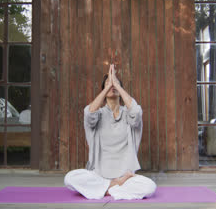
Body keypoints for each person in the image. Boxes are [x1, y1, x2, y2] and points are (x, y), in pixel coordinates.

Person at [64, 64, 157, 200]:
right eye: (108, 84)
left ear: (121, 90)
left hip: (125, 177)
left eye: (116, 83)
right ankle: (114, 187)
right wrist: (109, 86)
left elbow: (136, 112)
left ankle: (105, 190)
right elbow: (89, 114)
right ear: (103, 90)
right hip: (99, 175)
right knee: (70, 178)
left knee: (150, 187)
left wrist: (116, 85)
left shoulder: (128, 114)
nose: (112, 85)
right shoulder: (98, 114)